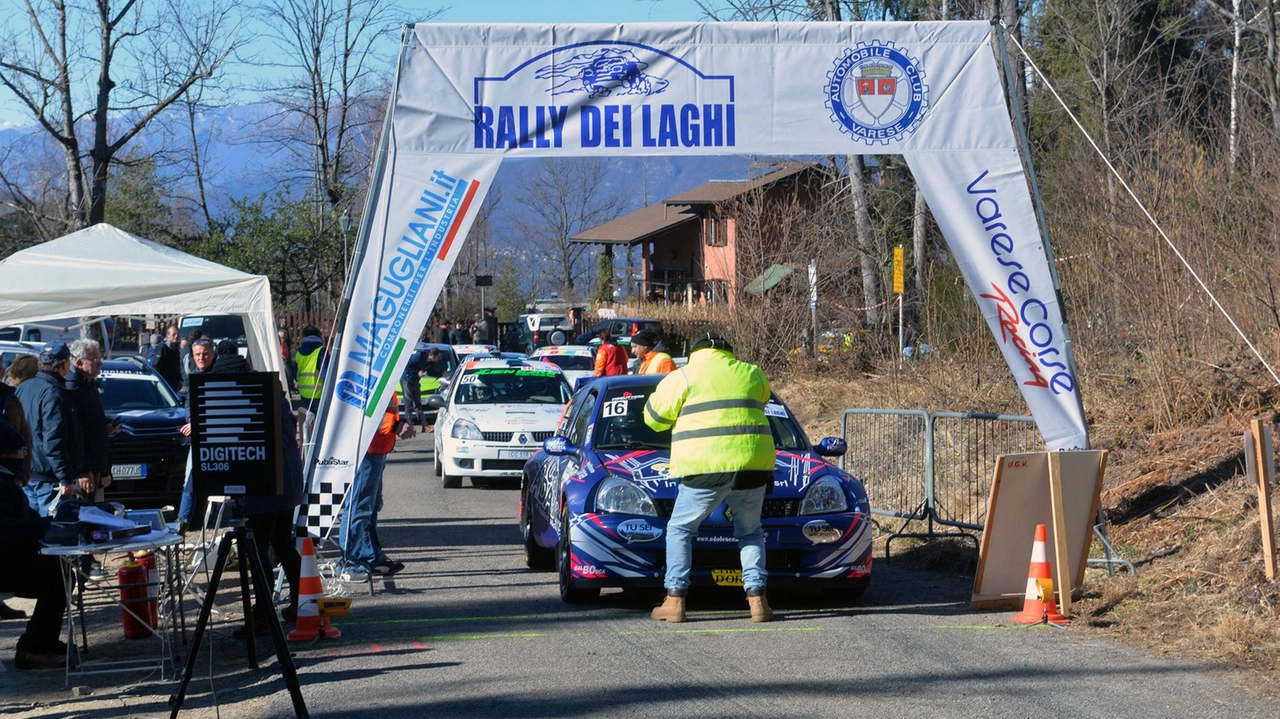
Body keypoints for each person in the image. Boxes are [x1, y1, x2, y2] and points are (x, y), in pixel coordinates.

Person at [644, 332, 776, 623]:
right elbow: (762, 401)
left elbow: (653, 419)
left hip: (706, 467)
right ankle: (758, 603)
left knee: (680, 530)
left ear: (695, 352)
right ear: (729, 352)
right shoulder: (752, 372)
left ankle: (674, 601)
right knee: (751, 532)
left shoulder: (684, 376)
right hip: (752, 465)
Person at [212, 350, 304, 635]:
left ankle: (263, 615)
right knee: (282, 543)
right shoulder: (271, 392)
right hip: (286, 483)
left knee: (259, 550)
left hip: (267, 486)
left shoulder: (252, 397)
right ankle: (303, 602)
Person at [0, 388, 70, 668]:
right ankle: (31, 647)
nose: (22, 457)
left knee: (60, 570)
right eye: (18, 452)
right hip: (4, 565)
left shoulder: (8, 485)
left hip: (10, 558)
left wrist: (53, 522)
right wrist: (45, 525)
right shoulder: (2, 488)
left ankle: (44, 640)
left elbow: (25, 520)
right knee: (56, 576)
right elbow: (7, 531)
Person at [340, 393, 414, 581]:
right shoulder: (369, 367)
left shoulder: (371, 366)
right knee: (360, 505)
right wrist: (396, 425)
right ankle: (356, 560)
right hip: (367, 446)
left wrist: (395, 424)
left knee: (367, 506)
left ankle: (369, 557)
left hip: (374, 445)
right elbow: (361, 409)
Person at [14, 343, 83, 518]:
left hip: (27, 472)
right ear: (65, 364)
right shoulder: (54, 393)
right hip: (48, 478)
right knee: (52, 533)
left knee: (31, 532)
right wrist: (65, 478)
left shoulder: (23, 388)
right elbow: (54, 441)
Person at [66, 339, 115, 503]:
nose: (100, 364)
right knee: (85, 517)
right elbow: (74, 435)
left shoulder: (91, 386)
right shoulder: (72, 389)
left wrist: (106, 425)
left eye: (101, 359)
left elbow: (93, 426)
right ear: (79, 362)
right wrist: (83, 471)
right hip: (84, 471)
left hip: (96, 467)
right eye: (95, 360)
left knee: (97, 517)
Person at [176, 338, 217, 530]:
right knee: (190, 481)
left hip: (216, 439)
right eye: (198, 355)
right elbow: (189, 403)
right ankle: (185, 521)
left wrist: (197, 423)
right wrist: (192, 419)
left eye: (205, 354)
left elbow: (218, 409)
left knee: (193, 480)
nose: (202, 358)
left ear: (213, 353)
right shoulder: (194, 376)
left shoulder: (217, 374)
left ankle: (184, 521)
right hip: (198, 439)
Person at [294, 325, 327, 411]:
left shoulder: (298, 352)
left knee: (307, 421)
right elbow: (325, 374)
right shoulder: (321, 350)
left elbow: (295, 373)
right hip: (318, 394)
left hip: (303, 393)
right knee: (319, 422)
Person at [152, 324, 183, 391]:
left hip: (174, 383)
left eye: (178, 334)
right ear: (168, 335)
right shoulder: (163, 347)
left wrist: (179, 379)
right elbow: (156, 366)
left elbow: (176, 365)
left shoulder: (175, 347)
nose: (176, 336)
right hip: (165, 383)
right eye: (174, 334)